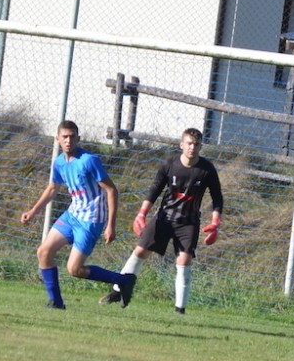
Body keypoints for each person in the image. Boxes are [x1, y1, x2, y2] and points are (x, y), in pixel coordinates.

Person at [98, 128, 223, 314]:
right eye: (189, 143)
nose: (192, 147)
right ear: (181, 145)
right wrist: (141, 214)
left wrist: (215, 223)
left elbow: (217, 197)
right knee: (140, 251)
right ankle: (117, 291)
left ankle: (180, 310)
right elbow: (154, 190)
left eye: (196, 144)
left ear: (200, 147)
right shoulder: (170, 164)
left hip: (188, 223)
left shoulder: (207, 169)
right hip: (164, 218)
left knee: (184, 261)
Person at [20, 120, 135, 309]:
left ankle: (123, 280)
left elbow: (111, 190)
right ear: (57, 139)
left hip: (91, 219)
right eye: (64, 137)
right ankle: (56, 302)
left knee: (74, 269)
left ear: (78, 138)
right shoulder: (59, 162)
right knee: (43, 252)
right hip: (72, 215)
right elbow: (53, 188)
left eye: (72, 136)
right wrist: (33, 211)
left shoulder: (89, 161)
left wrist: (110, 225)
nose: (68, 141)